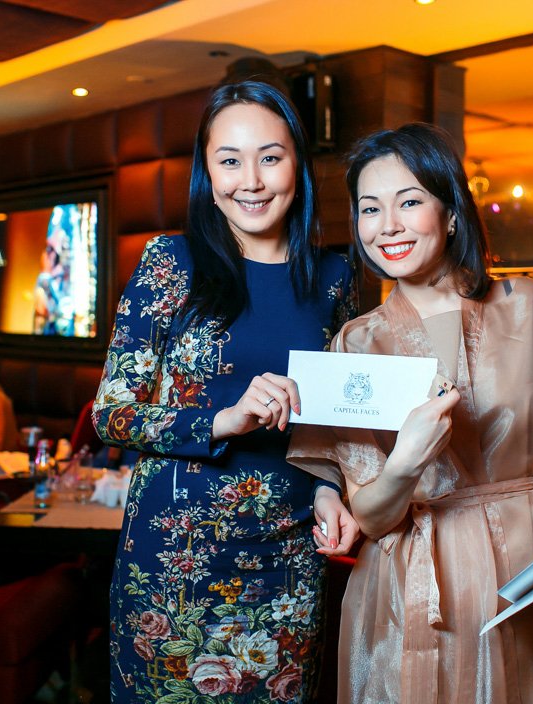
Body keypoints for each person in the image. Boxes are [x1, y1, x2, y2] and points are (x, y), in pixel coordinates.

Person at [287, 123, 533, 703]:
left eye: (409, 202)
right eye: (370, 208)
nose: (387, 225)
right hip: (412, 588)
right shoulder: (356, 345)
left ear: (450, 212)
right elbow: (370, 516)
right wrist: (405, 463)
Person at [92, 80, 360, 703]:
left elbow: (335, 415)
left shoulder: (334, 276)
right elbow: (112, 414)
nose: (252, 181)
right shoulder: (170, 262)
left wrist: (330, 489)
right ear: (207, 172)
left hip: (289, 560)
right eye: (230, 160)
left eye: (271, 157)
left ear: (297, 164)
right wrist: (221, 420)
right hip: (175, 559)